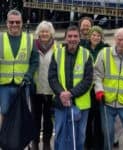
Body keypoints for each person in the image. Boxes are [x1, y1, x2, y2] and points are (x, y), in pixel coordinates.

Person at [48, 25, 93, 150]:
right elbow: (52, 77)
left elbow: (88, 79)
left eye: (75, 36)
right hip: (60, 102)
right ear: (65, 38)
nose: (72, 39)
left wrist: (71, 93)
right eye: (70, 36)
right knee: (60, 135)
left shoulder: (86, 54)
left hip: (81, 104)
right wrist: (62, 93)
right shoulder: (57, 53)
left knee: (79, 137)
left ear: (79, 38)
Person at [0, 9, 39, 148]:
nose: (14, 24)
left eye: (17, 22)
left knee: (22, 116)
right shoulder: (0, 39)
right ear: (7, 23)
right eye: (11, 22)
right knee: (4, 114)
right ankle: (4, 142)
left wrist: (28, 76)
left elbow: (35, 61)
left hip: (22, 86)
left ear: (22, 23)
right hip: (3, 86)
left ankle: (20, 143)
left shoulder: (29, 39)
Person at [31, 21, 56, 150]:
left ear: (51, 33)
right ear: (38, 33)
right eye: (42, 31)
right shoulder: (33, 46)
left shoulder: (57, 48)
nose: (44, 33)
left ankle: (46, 142)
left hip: (50, 90)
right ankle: (35, 142)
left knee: (48, 119)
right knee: (35, 118)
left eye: (47, 31)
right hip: (36, 89)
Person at [84, 25, 109, 150]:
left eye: (98, 35)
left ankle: (99, 144)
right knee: (87, 118)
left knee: (100, 119)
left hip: (100, 88)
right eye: (93, 35)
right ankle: (87, 144)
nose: (96, 37)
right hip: (87, 88)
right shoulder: (83, 48)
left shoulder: (105, 49)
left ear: (101, 37)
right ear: (90, 36)